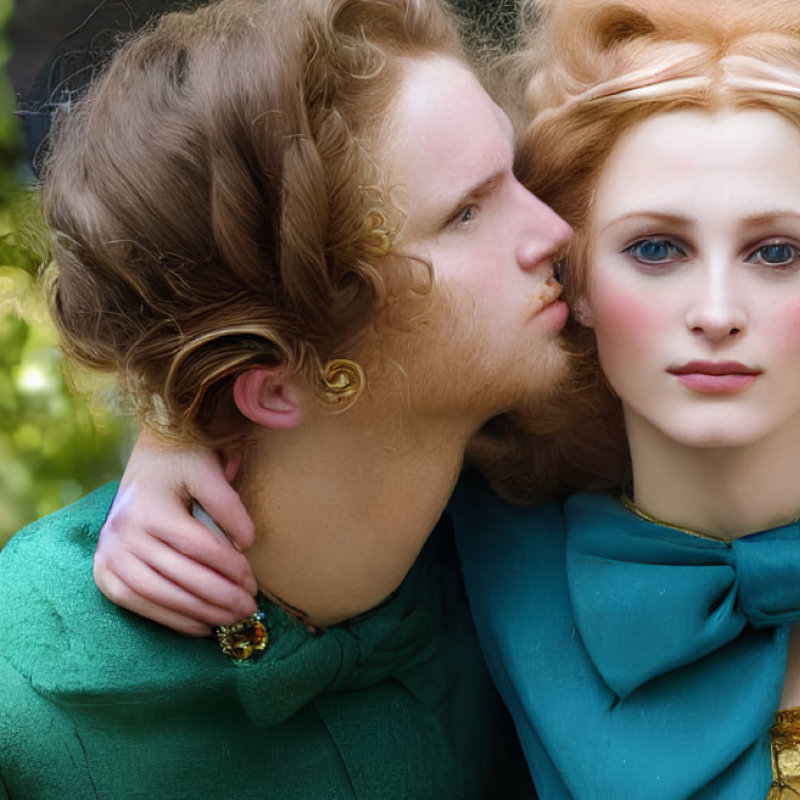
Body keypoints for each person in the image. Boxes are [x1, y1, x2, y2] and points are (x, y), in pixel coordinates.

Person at [89, 0, 800, 798]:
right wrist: (177, 420)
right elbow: (306, 348)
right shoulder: (489, 549)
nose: (717, 315)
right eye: (654, 249)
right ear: (575, 275)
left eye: (777, 253)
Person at [0, 0, 572, 795]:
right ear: (276, 384)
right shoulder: (27, 698)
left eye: (515, 176)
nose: (556, 230)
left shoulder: (538, 527)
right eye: (467, 213)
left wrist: (176, 422)